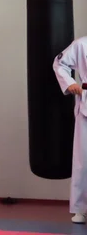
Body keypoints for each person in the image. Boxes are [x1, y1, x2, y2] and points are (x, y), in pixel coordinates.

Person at [53, 37, 87, 224]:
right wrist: (69, 82)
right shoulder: (82, 45)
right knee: (83, 160)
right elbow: (60, 63)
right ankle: (81, 208)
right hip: (86, 105)